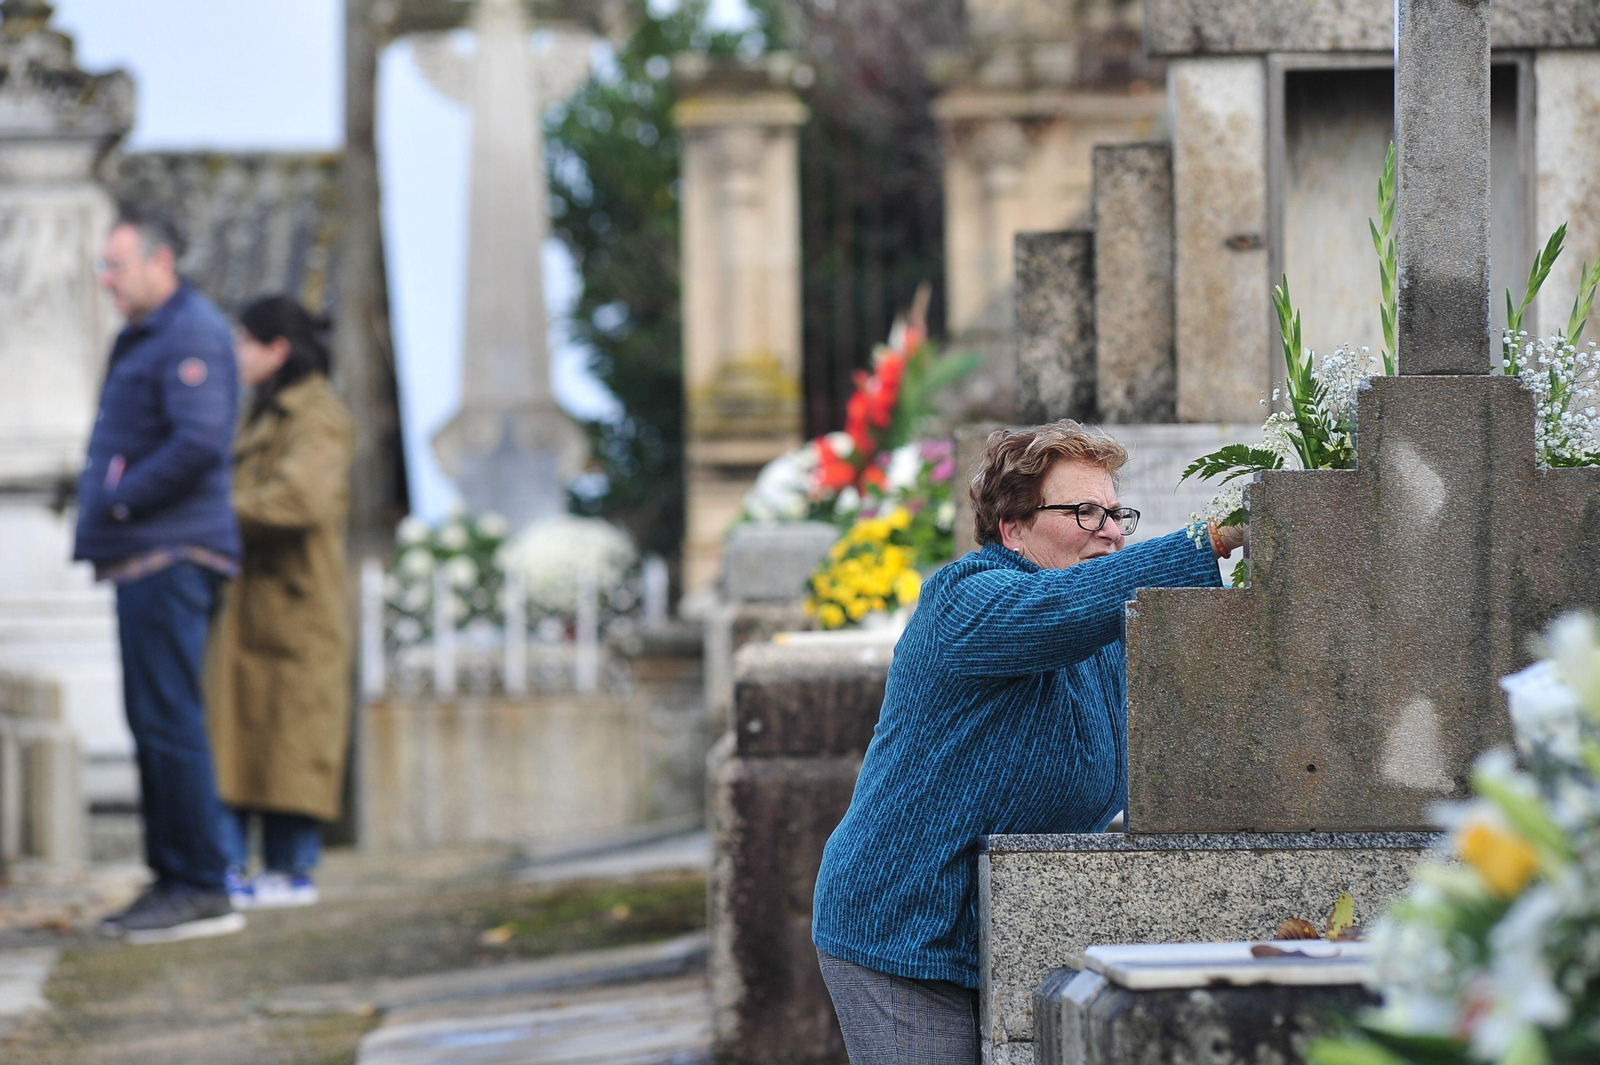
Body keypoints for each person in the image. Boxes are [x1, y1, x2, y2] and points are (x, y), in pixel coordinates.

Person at [810, 422, 1246, 1064]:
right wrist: (1207, 540)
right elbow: (1059, 610)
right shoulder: (965, 601)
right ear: (1013, 527)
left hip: (1003, 931)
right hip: (902, 933)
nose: (1110, 530)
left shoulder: (1103, 635)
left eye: (1116, 512)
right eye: (1083, 511)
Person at [77, 205, 245, 943]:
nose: (106, 280)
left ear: (160, 262)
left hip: (170, 552)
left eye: (117, 265)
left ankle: (201, 883)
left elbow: (200, 442)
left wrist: (120, 497)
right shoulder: (151, 334)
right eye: (104, 267)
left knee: (169, 720)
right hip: (147, 551)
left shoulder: (189, 333)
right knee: (154, 720)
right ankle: (176, 877)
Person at [206, 296, 355, 909]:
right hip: (250, 605)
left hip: (293, 606)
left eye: (244, 340)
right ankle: (232, 865)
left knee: (290, 740)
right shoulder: (261, 413)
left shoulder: (316, 414)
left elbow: (300, 501)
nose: (235, 353)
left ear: (277, 349)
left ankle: (292, 867)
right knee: (238, 739)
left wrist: (211, 514)